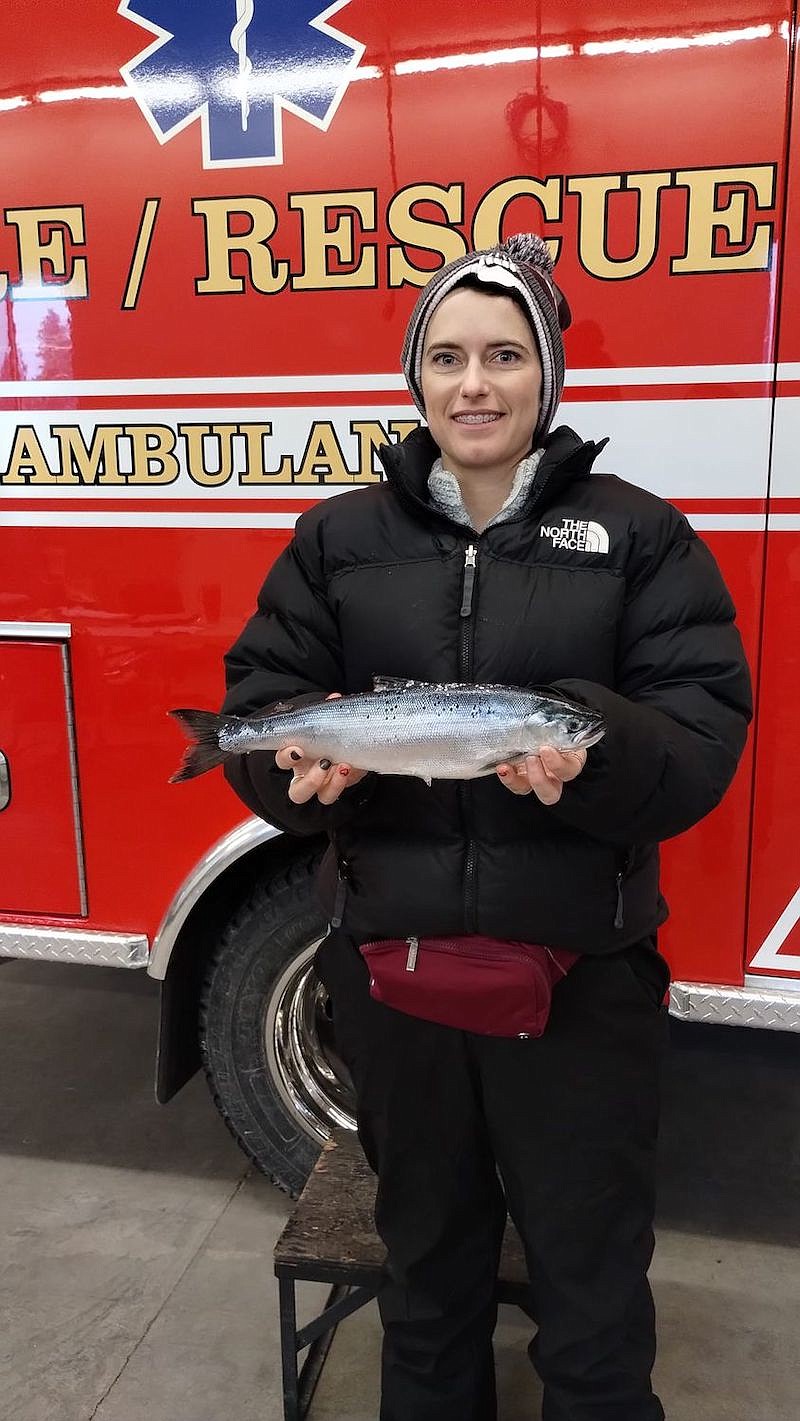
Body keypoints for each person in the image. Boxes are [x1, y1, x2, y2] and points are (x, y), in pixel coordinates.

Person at [221, 233, 752, 1421]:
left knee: (591, 1285)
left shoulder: (637, 536)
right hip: (393, 983)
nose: (474, 382)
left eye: (504, 355)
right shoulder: (338, 539)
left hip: (580, 986)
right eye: (447, 355)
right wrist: (296, 776)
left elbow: (701, 733)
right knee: (426, 1273)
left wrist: (593, 751)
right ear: (414, 378)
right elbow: (263, 706)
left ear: (545, 377)